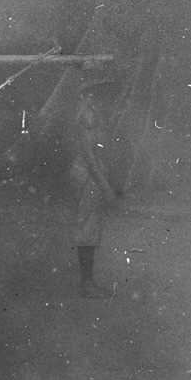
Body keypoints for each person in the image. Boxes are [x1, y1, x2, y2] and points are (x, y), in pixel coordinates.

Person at [68, 82, 121, 299]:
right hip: (88, 177)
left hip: (87, 175)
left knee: (90, 228)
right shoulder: (87, 117)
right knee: (88, 230)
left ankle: (87, 282)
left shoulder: (87, 115)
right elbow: (91, 159)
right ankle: (86, 284)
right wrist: (106, 187)